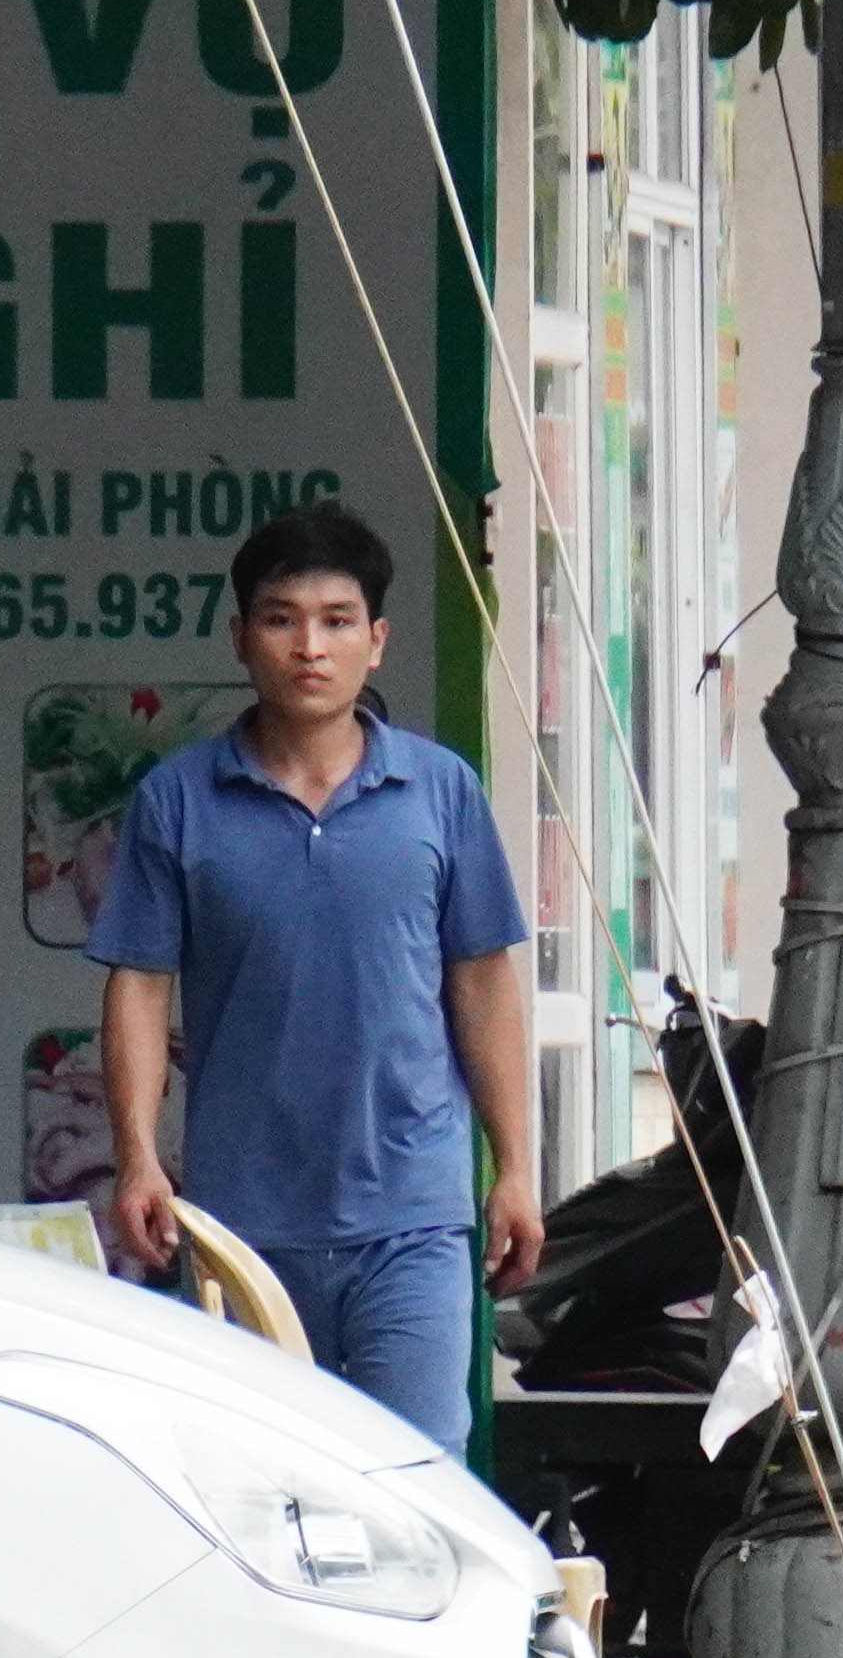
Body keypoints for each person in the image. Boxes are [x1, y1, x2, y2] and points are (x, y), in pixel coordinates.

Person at [89, 505, 540, 1446]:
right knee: (260, 1486)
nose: (310, 646)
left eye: (338, 620)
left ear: (377, 643)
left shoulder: (441, 790)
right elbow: (139, 984)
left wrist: (517, 1169)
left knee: (421, 1486)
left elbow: (482, 984)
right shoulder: (177, 799)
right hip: (243, 1221)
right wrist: (137, 1155)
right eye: (281, 618)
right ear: (240, 638)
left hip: (412, 1215)